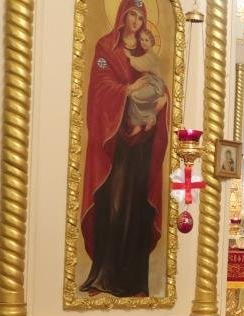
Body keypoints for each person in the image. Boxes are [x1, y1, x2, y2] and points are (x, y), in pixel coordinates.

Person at [79, 0, 169, 297]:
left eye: (140, 16)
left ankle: (135, 283)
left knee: (139, 206)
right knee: (114, 203)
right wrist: (128, 90)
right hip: (116, 142)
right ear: (121, 15)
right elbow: (100, 86)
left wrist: (163, 101)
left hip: (142, 144)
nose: (135, 21)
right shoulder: (107, 48)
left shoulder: (145, 50)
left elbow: (159, 83)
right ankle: (104, 276)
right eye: (131, 14)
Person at [124, 28, 167, 137]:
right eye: (141, 40)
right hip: (150, 83)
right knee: (133, 95)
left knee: (134, 95)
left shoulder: (151, 56)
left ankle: (146, 120)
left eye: (146, 40)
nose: (143, 42)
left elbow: (140, 64)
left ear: (152, 42)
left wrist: (129, 57)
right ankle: (142, 122)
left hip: (155, 86)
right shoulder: (147, 54)